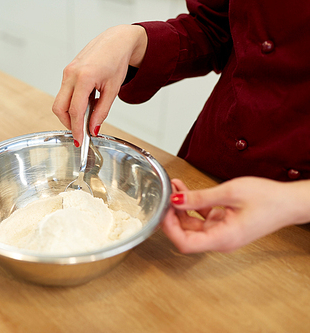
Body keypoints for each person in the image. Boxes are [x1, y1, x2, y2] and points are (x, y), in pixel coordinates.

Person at [52, 0, 310, 253]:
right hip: (209, 171)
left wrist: (292, 201)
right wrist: (135, 40)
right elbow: (215, 28)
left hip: (297, 235)